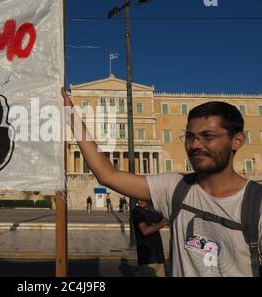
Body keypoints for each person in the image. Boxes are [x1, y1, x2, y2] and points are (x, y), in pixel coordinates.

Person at [62, 88, 262, 277]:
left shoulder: (257, 204)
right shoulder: (174, 188)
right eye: (189, 136)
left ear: (237, 140)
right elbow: (107, 174)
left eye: (207, 136)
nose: (195, 145)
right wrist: (72, 116)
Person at [132, 200, 168, 277]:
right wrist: (163, 223)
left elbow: (166, 219)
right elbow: (145, 231)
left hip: (158, 257)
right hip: (148, 259)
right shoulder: (138, 211)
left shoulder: (151, 211)